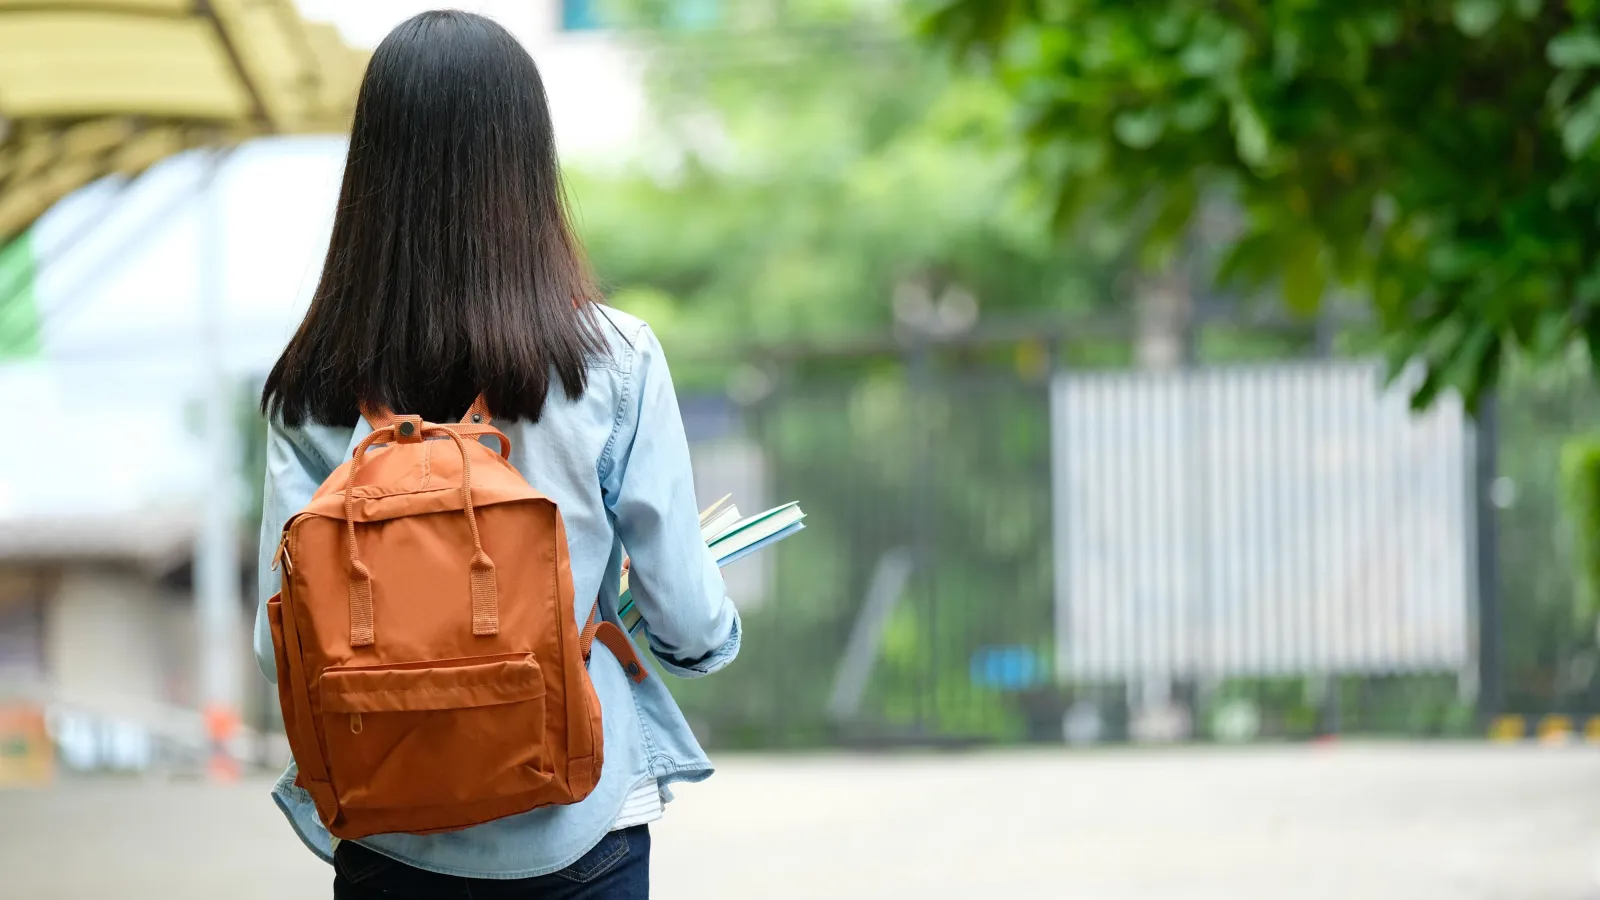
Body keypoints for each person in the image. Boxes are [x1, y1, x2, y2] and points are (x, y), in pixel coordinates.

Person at [252, 10, 740, 898]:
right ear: (526, 160)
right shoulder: (611, 360)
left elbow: (273, 640)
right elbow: (688, 621)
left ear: (371, 169)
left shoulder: (313, 383)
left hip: (389, 833)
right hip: (579, 825)